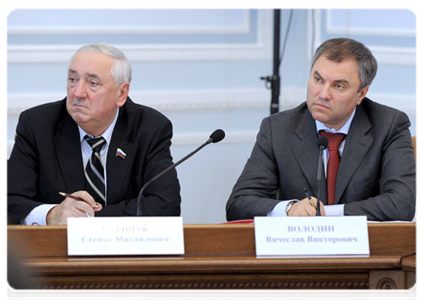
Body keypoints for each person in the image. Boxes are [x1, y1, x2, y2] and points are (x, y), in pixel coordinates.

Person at [226, 38, 418, 222]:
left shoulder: (389, 125)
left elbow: (401, 204)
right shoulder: (278, 129)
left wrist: (327, 214)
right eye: (318, 80)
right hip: (297, 248)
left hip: (366, 249)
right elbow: (239, 204)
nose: (323, 94)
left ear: (361, 93)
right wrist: (290, 209)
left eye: (339, 86)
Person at [6, 43, 181, 225]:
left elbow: (166, 205)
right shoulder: (37, 125)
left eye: (92, 83)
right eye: (73, 79)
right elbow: (10, 201)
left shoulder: (149, 128)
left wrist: (85, 220)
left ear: (121, 93)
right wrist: (51, 214)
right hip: (55, 248)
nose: (78, 93)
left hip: (126, 250)